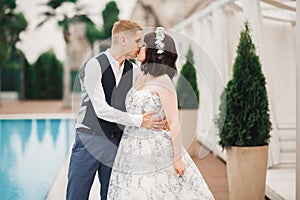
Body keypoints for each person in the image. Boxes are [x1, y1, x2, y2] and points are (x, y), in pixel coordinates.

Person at [107, 27, 215, 199]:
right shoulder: (137, 75)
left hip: (155, 147)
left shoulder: (163, 81)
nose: (138, 48)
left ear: (151, 51)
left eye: (142, 45)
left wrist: (177, 158)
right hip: (130, 145)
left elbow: (173, 123)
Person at [66, 20, 166, 200]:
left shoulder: (133, 70)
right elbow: (101, 109)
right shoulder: (94, 65)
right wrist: (139, 120)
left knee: (112, 195)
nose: (140, 45)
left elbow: (146, 96)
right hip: (89, 139)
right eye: (137, 41)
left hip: (115, 142)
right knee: (76, 195)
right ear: (122, 40)